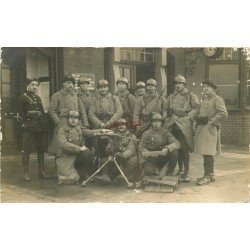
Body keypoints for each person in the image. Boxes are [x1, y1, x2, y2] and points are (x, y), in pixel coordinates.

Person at [165, 75, 200, 182]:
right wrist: (166, 117)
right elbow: (166, 109)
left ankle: (187, 172)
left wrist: (189, 117)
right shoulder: (171, 96)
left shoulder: (190, 95)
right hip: (173, 125)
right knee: (177, 148)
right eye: (176, 84)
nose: (178, 86)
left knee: (184, 149)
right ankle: (180, 170)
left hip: (184, 125)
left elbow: (197, 107)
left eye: (180, 84)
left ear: (184, 84)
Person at [194, 80, 228, 186]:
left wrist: (212, 122)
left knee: (208, 153)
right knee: (206, 153)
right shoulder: (204, 100)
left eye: (208, 87)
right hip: (202, 129)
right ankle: (210, 174)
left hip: (210, 129)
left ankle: (207, 176)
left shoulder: (217, 99)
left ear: (213, 89)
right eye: (204, 87)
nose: (205, 89)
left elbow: (223, 113)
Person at [16, 77, 50, 181]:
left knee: (41, 150)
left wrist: (44, 125)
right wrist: (24, 125)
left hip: (39, 128)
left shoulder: (38, 98)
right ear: (28, 86)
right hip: (29, 129)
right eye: (32, 85)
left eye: (36, 85)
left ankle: (41, 171)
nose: (35, 87)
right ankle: (26, 173)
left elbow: (42, 114)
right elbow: (18, 115)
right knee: (27, 150)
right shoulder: (22, 98)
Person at [48, 75, 89, 155]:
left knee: (76, 147)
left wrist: (85, 124)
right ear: (63, 84)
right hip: (63, 124)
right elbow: (51, 110)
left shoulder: (76, 96)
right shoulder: (57, 96)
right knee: (60, 149)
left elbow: (82, 111)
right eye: (68, 83)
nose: (71, 85)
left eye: (72, 83)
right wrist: (58, 122)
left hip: (76, 124)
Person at [56, 111, 98, 185]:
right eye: (71, 117)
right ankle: (75, 174)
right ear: (68, 119)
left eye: (76, 118)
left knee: (88, 153)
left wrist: (102, 131)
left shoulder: (79, 128)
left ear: (78, 120)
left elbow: (90, 132)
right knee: (68, 179)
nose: (73, 120)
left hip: (77, 156)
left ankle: (84, 174)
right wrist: (78, 148)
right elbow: (63, 144)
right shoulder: (61, 130)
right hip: (66, 157)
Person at [95, 118, 139, 184]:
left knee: (133, 161)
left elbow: (131, 150)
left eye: (123, 124)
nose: (121, 126)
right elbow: (108, 149)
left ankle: (123, 177)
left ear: (126, 126)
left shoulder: (131, 136)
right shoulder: (113, 135)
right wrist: (109, 148)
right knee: (103, 161)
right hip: (116, 157)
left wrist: (123, 155)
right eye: (119, 125)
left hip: (126, 157)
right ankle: (105, 177)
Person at [138, 113, 180, 180]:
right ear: (151, 123)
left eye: (158, 121)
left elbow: (177, 143)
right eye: (154, 121)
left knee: (174, 152)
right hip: (152, 158)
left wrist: (167, 148)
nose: (156, 124)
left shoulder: (165, 132)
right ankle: (157, 172)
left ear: (161, 123)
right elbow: (141, 147)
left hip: (163, 157)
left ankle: (169, 172)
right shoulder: (146, 133)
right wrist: (149, 153)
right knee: (148, 172)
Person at [88, 79, 123, 160]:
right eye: (101, 87)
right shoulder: (94, 99)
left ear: (108, 88)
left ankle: (112, 166)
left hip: (112, 125)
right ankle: (99, 163)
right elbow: (91, 114)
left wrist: (110, 122)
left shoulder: (114, 98)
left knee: (112, 146)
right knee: (97, 146)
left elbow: (119, 112)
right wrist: (100, 123)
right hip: (99, 126)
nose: (103, 89)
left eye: (105, 87)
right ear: (98, 89)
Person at [77, 77, 96, 149]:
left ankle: (89, 152)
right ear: (79, 85)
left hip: (90, 118)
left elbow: (94, 105)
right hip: (80, 119)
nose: (84, 86)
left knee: (90, 137)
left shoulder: (91, 95)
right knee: (80, 137)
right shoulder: (76, 95)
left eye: (85, 84)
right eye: (82, 84)